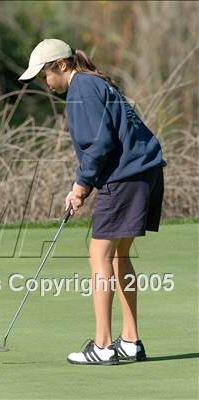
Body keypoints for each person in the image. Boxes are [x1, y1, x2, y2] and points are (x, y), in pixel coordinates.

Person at [18, 38, 166, 365]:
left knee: (98, 254)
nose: (44, 84)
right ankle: (130, 341)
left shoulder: (81, 89)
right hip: (146, 172)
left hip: (127, 176)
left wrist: (80, 186)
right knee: (118, 257)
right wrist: (84, 183)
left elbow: (99, 144)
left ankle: (102, 345)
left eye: (44, 76)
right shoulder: (94, 82)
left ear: (61, 65)